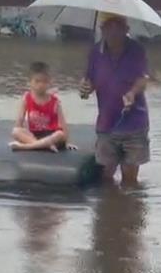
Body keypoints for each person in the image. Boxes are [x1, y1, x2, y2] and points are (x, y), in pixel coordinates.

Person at [78, 14, 151, 185]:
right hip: (106, 123)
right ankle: (109, 209)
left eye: (118, 27)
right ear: (102, 30)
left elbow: (143, 78)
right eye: (108, 27)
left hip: (134, 122)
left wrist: (132, 93)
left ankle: (130, 209)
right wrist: (85, 88)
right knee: (106, 174)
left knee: (130, 176)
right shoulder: (95, 52)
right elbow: (89, 80)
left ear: (126, 30)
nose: (113, 32)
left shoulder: (137, 50)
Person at [10, 62, 73, 152]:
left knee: (60, 134)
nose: (41, 85)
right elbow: (20, 120)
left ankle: (27, 147)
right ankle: (43, 145)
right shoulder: (27, 98)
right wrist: (17, 137)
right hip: (34, 135)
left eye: (44, 81)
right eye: (37, 81)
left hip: (52, 135)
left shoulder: (55, 101)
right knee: (15, 131)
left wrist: (67, 142)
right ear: (30, 82)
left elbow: (63, 124)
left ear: (49, 82)